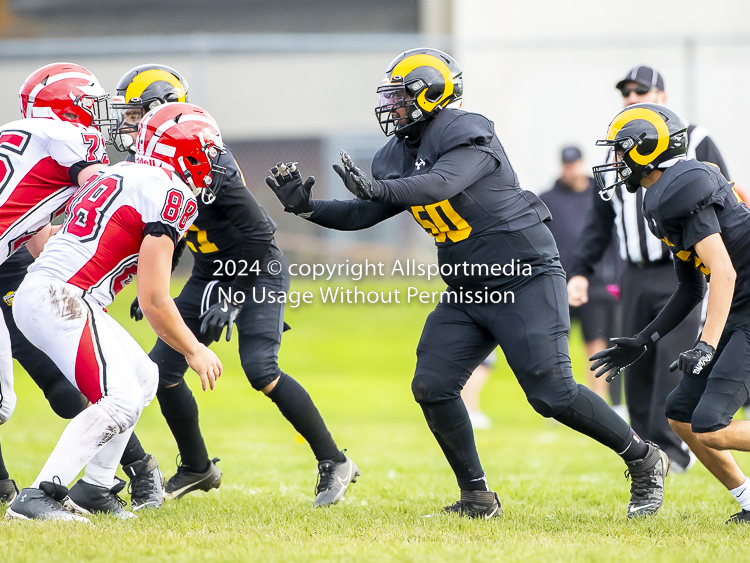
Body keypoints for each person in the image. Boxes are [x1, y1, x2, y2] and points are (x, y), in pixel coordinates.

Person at [266, 47, 669, 519]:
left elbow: (439, 183)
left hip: (524, 277)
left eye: (400, 96)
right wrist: (307, 208)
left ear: (433, 95)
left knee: (552, 394)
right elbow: (363, 211)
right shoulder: (397, 152)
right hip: (467, 288)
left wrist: (381, 189)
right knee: (432, 385)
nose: (391, 107)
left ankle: (644, 459)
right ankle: (477, 497)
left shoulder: (465, 130)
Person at [113, 64, 358, 506]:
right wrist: (158, 282)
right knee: (161, 373)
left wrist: (232, 292)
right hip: (212, 269)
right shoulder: (155, 160)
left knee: (260, 370)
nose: (128, 124)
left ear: (161, 111)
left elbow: (261, 236)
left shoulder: (207, 159)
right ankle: (196, 467)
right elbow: (174, 226)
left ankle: (334, 460)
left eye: (135, 114)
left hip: (256, 268)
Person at [6, 102, 223, 521]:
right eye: (208, 154)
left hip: (56, 292)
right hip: (62, 296)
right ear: (188, 152)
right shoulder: (172, 192)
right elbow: (154, 299)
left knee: (145, 378)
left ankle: (95, 487)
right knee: (120, 398)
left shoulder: (118, 174)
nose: (212, 165)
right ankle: (37, 496)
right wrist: (194, 349)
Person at [589, 102, 750, 524]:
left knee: (712, 425)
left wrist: (705, 344)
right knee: (680, 415)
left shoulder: (681, 188)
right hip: (739, 305)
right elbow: (691, 286)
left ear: (645, 150)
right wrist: (644, 340)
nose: (616, 162)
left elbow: (724, 271)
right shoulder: (664, 194)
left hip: (745, 304)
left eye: (621, 151)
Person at [567, 65, 730, 472]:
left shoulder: (695, 144)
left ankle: (674, 450)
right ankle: (647, 453)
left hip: (693, 271)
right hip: (638, 272)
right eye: (625, 92)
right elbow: (599, 220)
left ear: (662, 95)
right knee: (635, 360)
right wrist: (582, 270)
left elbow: (724, 203)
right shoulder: (624, 153)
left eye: (640, 90)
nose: (630, 97)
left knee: (674, 365)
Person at [0, 62, 117, 503]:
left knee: (2, 403)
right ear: (69, 107)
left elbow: (32, 233)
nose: (98, 116)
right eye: (91, 104)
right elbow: (102, 193)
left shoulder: (17, 138)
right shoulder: (68, 136)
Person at [540, 147, 624, 410]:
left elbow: (615, 240)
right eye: (566, 164)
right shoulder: (547, 198)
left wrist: (617, 279)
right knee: (553, 345)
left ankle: (600, 404)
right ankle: (557, 403)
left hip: (595, 283)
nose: (570, 169)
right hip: (556, 283)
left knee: (597, 343)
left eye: (574, 164)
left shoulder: (599, 195)